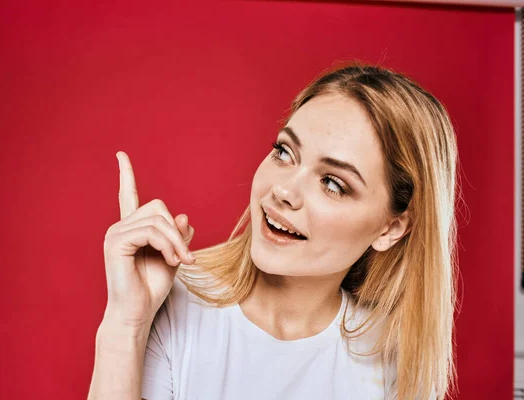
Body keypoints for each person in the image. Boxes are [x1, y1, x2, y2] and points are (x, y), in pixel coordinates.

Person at [87, 63, 460, 400]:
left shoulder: (394, 366)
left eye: (332, 183)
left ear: (390, 228)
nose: (283, 190)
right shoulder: (174, 306)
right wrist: (125, 324)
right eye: (285, 152)